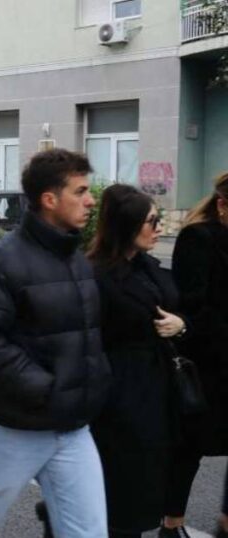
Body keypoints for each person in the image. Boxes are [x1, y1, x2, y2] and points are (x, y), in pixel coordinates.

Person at [0, 149, 110, 537]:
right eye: (80, 191)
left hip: (72, 427)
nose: (90, 200)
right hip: (15, 426)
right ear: (49, 199)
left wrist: (95, 380)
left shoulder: (76, 258)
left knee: (90, 531)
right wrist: (42, 387)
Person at [85, 185, 187, 537]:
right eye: (152, 221)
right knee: (123, 490)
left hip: (156, 387)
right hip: (120, 394)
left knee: (148, 480)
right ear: (127, 225)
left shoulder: (148, 266)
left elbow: (177, 306)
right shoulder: (96, 274)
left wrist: (180, 324)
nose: (159, 228)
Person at [165, 172, 228, 538]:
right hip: (206, 363)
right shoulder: (197, 239)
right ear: (222, 205)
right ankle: (171, 524)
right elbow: (192, 307)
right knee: (190, 447)